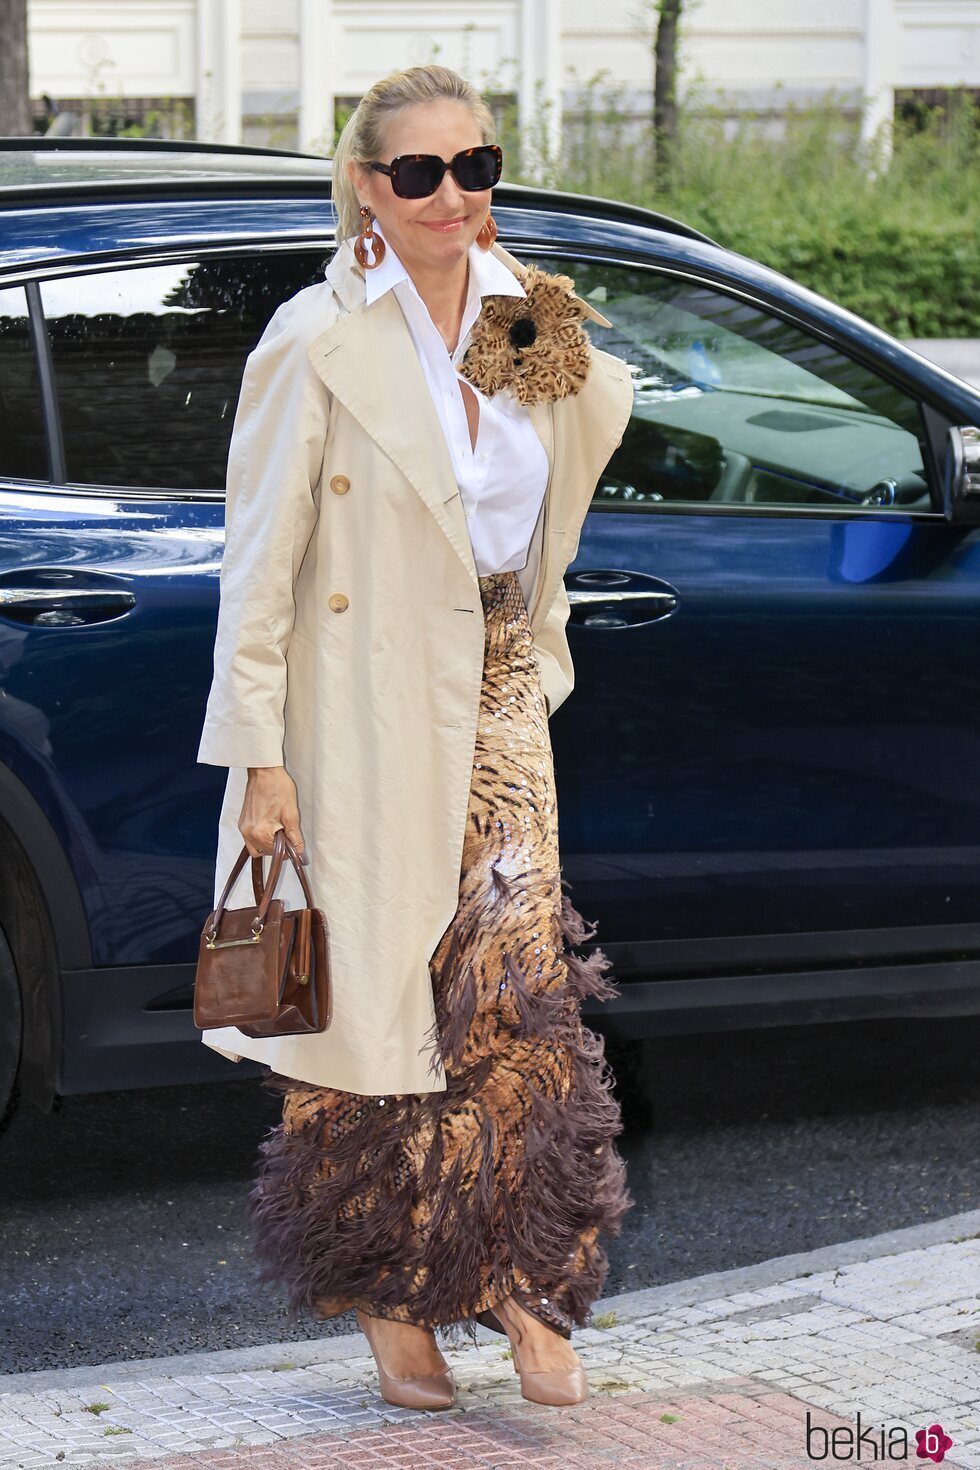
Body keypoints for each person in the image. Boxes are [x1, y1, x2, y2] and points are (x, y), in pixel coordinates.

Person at [196, 62, 635, 1411]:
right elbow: (258, 561)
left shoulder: (518, 319)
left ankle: (522, 1278)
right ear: (367, 191)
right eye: (422, 173)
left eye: (478, 167)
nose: (456, 195)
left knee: (509, 992)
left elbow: (584, 430)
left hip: (497, 691)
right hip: (359, 706)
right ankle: (390, 1296)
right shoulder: (316, 336)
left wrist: (527, 297)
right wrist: (260, 752)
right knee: (368, 1009)